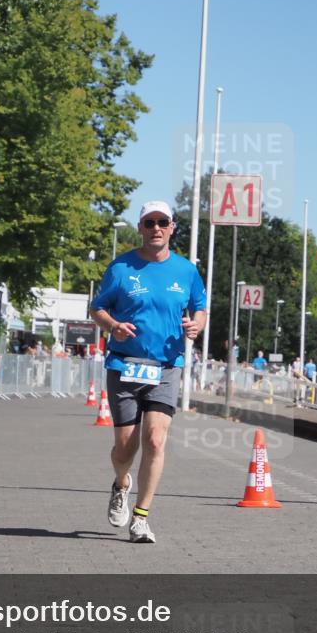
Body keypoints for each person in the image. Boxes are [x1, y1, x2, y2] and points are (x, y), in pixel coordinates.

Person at [89, 200, 207, 543]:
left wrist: (195, 326)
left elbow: (200, 308)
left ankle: (141, 518)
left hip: (166, 367)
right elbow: (97, 308)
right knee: (124, 450)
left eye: (163, 222)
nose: (156, 228)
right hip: (124, 366)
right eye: (149, 222)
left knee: (155, 440)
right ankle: (120, 483)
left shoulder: (185, 271)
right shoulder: (121, 268)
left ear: (172, 228)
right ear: (140, 228)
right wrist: (113, 326)